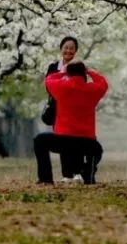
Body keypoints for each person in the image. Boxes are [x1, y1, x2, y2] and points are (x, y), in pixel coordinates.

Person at [34, 60, 108, 185]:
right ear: (84, 75)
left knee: (39, 140)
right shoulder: (92, 90)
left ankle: (46, 178)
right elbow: (103, 83)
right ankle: (88, 174)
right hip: (87, 141)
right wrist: (90, 70)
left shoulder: (62, 88)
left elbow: (48, 80)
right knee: (97, 150)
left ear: (68, 74)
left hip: (64, 140)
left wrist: (62, 72)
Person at [42, 36, 79, 180]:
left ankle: (78, 172)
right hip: (58, 110)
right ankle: (67, 174)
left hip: (74, 110)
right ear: (61, 49)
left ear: (75, 51)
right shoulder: (53, 67)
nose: (68, 51)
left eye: (72, 48)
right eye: (66, 47)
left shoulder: (79, 67)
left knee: (76, 140)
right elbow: (48, 85)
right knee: (63, 141)